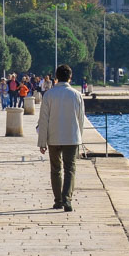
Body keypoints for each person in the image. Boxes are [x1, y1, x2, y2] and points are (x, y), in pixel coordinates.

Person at [38, 64, 85, 212]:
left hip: (53, 137)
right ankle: (67, 199)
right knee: (70, 169)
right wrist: (80, 138)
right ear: (70, 77)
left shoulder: (49, 95)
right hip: (71, 137)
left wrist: (42, 142)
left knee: (55, 169)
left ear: (56, 77)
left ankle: (58, 200)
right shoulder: (77, 95)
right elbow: (81, 119)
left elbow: (43, 120)